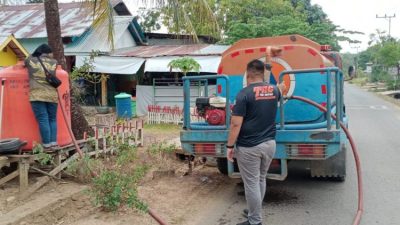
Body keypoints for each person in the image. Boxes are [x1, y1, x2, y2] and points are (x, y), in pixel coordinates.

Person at [226, 49, 283, 225]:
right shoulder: (274, 90)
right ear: (261, 73)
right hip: (270, 144)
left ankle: (255, 221)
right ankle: (254, 211)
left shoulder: (243, 94)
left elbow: (236, 124)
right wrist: (268, 58)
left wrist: (229, 147)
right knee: (260, 179)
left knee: (251, 183)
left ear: (248, 74)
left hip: (250, 147)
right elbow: (275, 88)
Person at [25, 44, 59, 149]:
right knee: (52, 119)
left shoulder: (31, 59)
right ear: (49, 53)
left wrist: (35, 53)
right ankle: (53, 143)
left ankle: (46, 144)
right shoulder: (54, 62)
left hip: (37, 94)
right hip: (52, 95)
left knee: (43, 119)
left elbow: (26, 60)